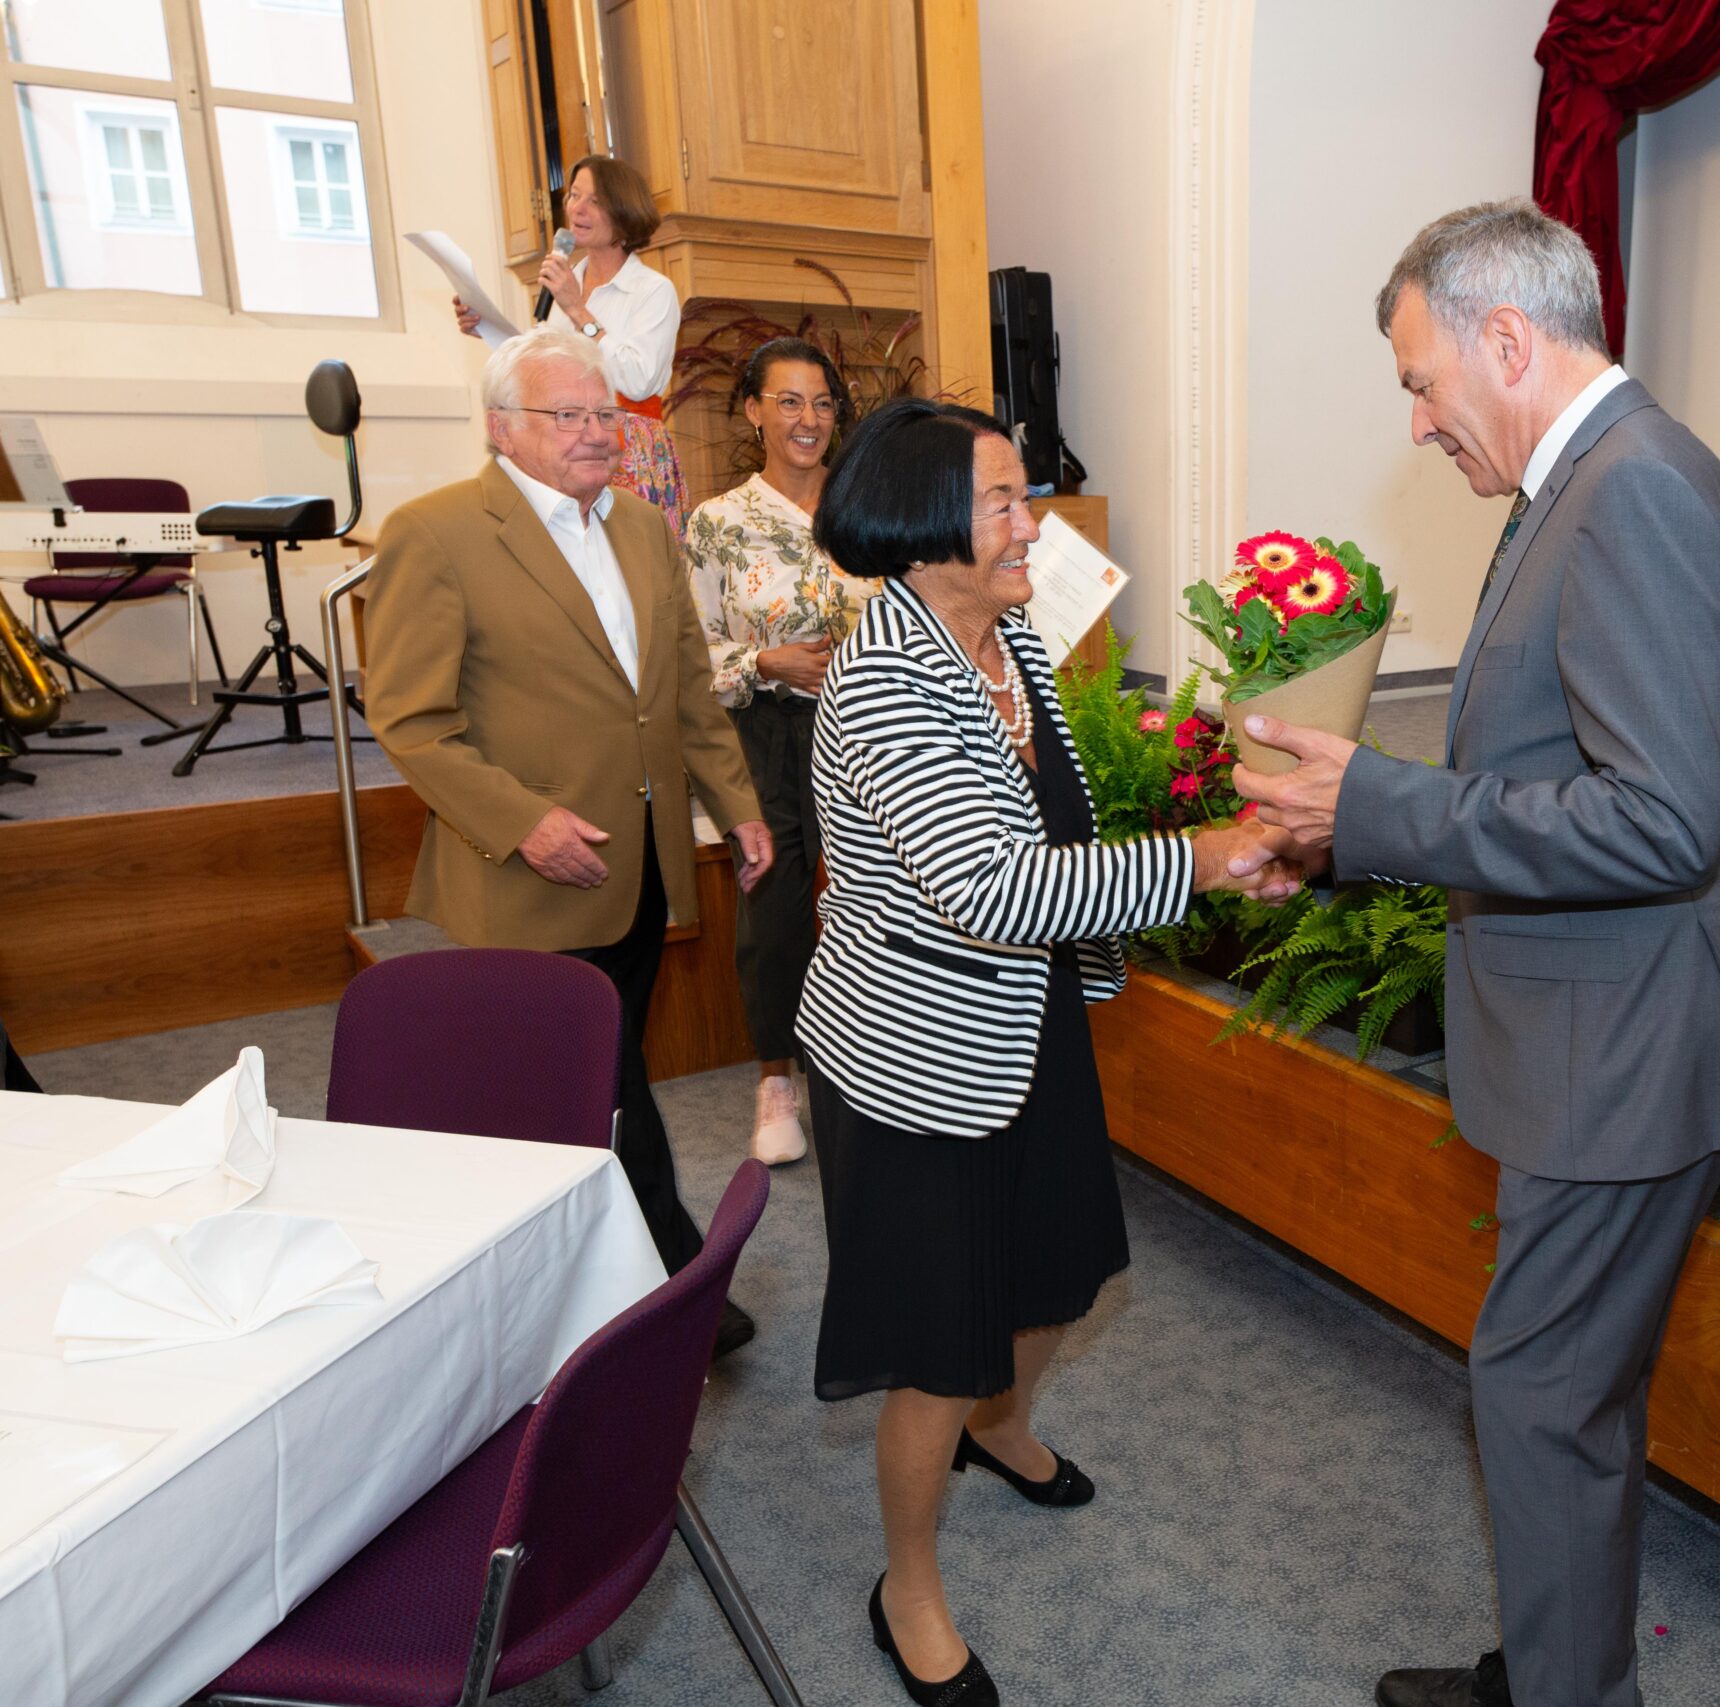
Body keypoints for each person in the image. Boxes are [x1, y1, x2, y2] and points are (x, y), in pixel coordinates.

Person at [1235, 199, 1720, 1707]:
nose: (1418, 423)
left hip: (1627, 1044)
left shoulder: (1637, 491)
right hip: (1595, 1023)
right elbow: (1565, 766)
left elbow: (1662, 821)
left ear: (1504, 337)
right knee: (1563, 1392)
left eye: (1421, 381)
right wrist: (1349, 835)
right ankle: (1553, 1662)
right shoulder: (1588, 483)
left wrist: (1385, 809)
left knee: (1542, 1395)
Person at [800, 398, 1299, 1706]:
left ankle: (1003, 1426)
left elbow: (1062, 814)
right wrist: (1200, 862)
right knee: (936, 1341)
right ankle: (908, 1579)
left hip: (1027, 1022)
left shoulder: (1005, 627)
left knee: (1058, 1274)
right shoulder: (883, 675)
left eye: (1030, 495)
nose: (1034, 522)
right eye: (1007, 501)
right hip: (914, 1056)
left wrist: (1219, 839)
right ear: (919, 531)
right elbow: (994, 887)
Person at [365, 326, 776, 1357]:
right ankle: (672, 1280)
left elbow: (681, 687)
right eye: (571, 415)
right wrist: (523, 821)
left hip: (636, 865)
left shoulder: (640, 529)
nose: (598, 434)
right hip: (528, 871)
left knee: (595, 1074)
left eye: (606, 415)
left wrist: (739, 804)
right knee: (599, 1079)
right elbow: (411, 720)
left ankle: (591, 1283)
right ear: (504, 426)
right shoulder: (438, 532)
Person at [686, 337, 875, 1166]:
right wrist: (766, 660)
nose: (808, 419)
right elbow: (689, 654)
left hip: (872, 728)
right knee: (774, 904)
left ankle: (872, 1070)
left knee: (876, 895)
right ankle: (774, 1076)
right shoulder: (718, 524)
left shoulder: (869, 511)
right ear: (755, 410)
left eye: (823, 402)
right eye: (789, 401)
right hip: (770, 728)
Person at [454, 154, 686, 530]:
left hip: (627, 445)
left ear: (623, 211)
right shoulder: (568, 284)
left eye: (594, 201)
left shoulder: (652, 290)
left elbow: (640, 378)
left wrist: (578, 310)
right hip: (566, 442)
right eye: (574, 196)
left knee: (631, 565)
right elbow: (541, 369)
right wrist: (484, 327)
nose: (578, 209)